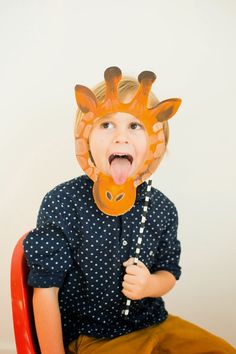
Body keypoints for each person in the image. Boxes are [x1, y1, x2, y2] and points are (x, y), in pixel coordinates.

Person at [23, 67, 236, 354]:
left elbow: (169, 272)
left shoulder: (161, 208)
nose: (121, 138)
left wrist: (150, 284)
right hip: (93, 338)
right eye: (106, 124)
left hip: (156, 324)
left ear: (156, 143)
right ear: (85, 135)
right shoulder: (63, 203)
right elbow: (45, 292)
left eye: (135, 126)